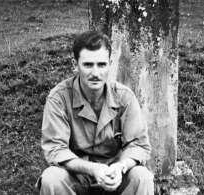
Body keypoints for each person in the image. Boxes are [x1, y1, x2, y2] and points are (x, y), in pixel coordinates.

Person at [35, 31, 154, 195]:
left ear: (110, 63)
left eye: (102, 64)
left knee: (142, 177)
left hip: (114, 177)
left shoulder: (125, 97)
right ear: (75, 64)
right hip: (77, 176)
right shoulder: (59, 98)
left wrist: (121, 167)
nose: (96, 73)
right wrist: (92, 169)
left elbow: (138, 145)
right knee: (51, 178)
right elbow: (56, 149)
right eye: (88, 65)